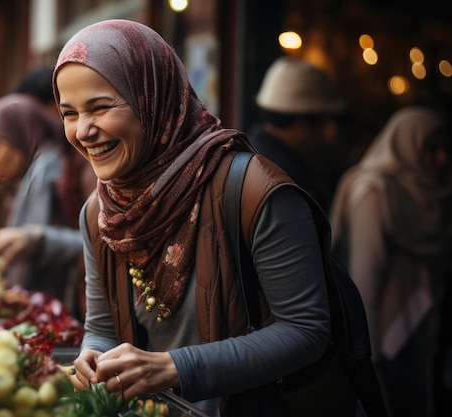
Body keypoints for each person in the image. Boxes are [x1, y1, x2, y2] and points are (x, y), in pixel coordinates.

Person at [53, 19, 360, 416]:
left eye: (100, 107)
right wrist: (93, 357)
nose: (83, 130)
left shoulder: (254, 191)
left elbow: (306, 330)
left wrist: (173, 366)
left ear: (153, 97)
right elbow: (102, 328)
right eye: (69, 113)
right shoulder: (101, 210)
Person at [329, 106, 452, 417]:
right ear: (406, 146)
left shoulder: (429, 194)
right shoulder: (374, 192)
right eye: (431, 149)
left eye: (444, 148)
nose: (442, 159)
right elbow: (364, 283)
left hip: (424, 335)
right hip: (386, 344)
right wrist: (368, 363)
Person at [0, 93, 95, 311]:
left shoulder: (62, 169)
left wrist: (34, 239)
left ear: (21, 136)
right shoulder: (39, 169)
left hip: (77, 309)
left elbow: (98, 244)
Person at [247, 56, 346, 213]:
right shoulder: (283, 179)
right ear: (302, 121)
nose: (328, 132)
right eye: (323, 121)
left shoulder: (254, 152)